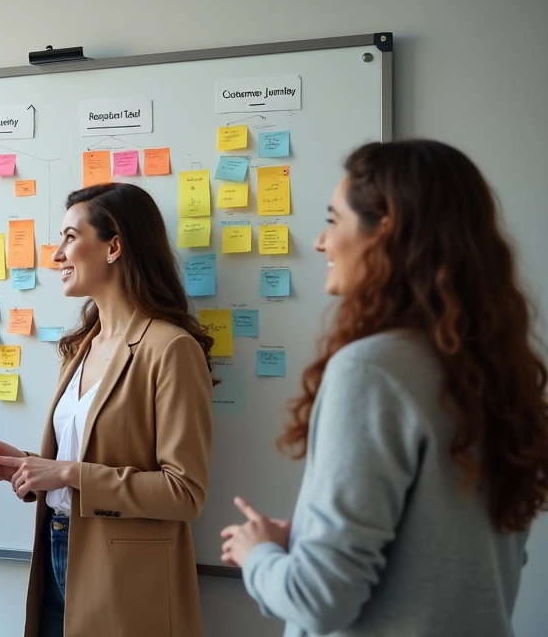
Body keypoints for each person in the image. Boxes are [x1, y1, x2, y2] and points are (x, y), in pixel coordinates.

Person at [220, 140, 548, 636]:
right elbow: (462, 561)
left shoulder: (372, 369)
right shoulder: (494, 371)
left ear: (386, 230)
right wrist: (309, 540)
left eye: (334, 220)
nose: (320, 243)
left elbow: (318, 600)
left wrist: (258, 553)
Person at [0, 182, 215, 637]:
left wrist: (66, 473)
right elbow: (81, 459)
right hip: (58, 558)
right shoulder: (80, 347)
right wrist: (24, 467)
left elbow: (185, 492)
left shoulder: (170, 348)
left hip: (126, 580)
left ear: (114, 246)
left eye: (70, 237)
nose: (57, 255)